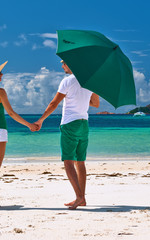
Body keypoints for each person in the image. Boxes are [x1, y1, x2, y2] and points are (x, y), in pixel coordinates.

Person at [35, 60, 99, 210]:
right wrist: (81, 96)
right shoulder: (89, 81)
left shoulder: (67, 81)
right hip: (84, 123)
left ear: (71, 63)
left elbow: (53, 104)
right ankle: (82, 198)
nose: (62, 65)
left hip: (70, 124)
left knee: (69, 162)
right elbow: (95, 103)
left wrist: (41, 120)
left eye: (64, 63)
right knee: (80, 162)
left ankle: (79, 197)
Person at [0, 61, 38, 210]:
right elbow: (11, 113)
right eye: (0, 73)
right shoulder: (0, 92)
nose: (2, 75)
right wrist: (29, 124)